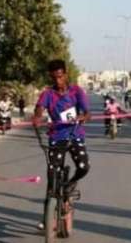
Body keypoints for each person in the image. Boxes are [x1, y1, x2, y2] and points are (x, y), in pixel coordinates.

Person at [32, 59, 91, 229]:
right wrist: (37, 117)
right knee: (52, 178)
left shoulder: (76, 91)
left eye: (60, 76)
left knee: (83, 167)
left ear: (65, 74)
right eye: (54, 78)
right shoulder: (47, 94)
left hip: (75, 135)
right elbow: (39, 109)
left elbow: (88, 113)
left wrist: (83, 117)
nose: (58, 81)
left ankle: (70, 184)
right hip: (57, 137)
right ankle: (46, 218)